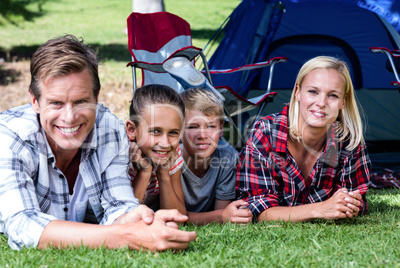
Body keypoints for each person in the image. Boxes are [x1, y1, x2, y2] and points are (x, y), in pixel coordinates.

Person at [0, 35, 196, 251]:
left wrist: (139, 218)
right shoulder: (10, 136)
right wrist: (126, 236)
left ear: (96, 97)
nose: (69, 117)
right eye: (56, 103)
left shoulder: (108, 128)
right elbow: (22, 224)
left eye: (81, 101)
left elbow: (118, 205)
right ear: (35, 101)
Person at [236, 56, 371, 222]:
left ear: (343, 102)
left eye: (333, 95)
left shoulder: (349, 142)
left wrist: (350, 204)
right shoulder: (265, 133)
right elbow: (259, 212)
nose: (321, 103)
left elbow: (353, 202)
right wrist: (321, 209)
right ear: (297, 92)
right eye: (313, 91)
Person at [179, 88, 252, 225]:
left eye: (211, 126)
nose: (202, 135)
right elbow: (174, 216)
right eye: (193, 127)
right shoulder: (172, 159)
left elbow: (223, 212)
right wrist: (219, 216)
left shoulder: (228, 159)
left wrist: (222, 215)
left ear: (220, 129)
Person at [126, 84, 187, 215]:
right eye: (155, 131)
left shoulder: (172, 154)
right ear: (132, 130)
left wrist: (163, 174)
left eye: (173, 133)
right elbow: (124, 216)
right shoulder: (120, 156)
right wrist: (144, 172)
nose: (165, 143)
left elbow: (179, 217)